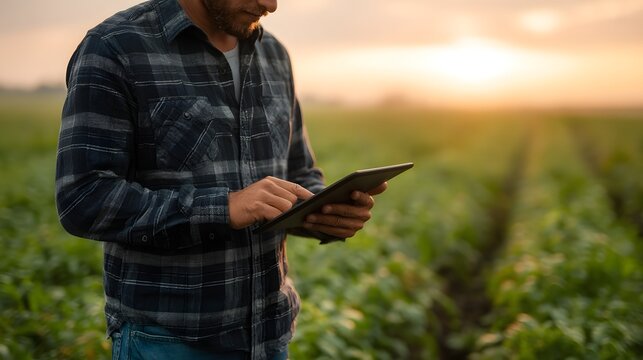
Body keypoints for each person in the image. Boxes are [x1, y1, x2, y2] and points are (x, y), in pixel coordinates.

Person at [55, 0, 386, 359]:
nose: (270, 5)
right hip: (167, 343)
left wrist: (324, 210)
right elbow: (83, 197)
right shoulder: (115, 48)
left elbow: (298, 172)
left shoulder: (274, 54)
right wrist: (224, 208)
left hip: (269, 338)